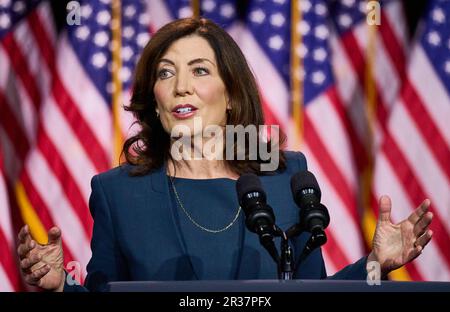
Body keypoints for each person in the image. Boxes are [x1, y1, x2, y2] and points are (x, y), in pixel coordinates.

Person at [16, 18, 433, 292]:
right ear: (154, 99)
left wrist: (376, 264)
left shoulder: (287, 178)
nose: (181, 86)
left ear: (231, 94)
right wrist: (59, 285)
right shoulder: (118, 192)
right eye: (165, 72)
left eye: (200, 70)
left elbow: (312, 288)